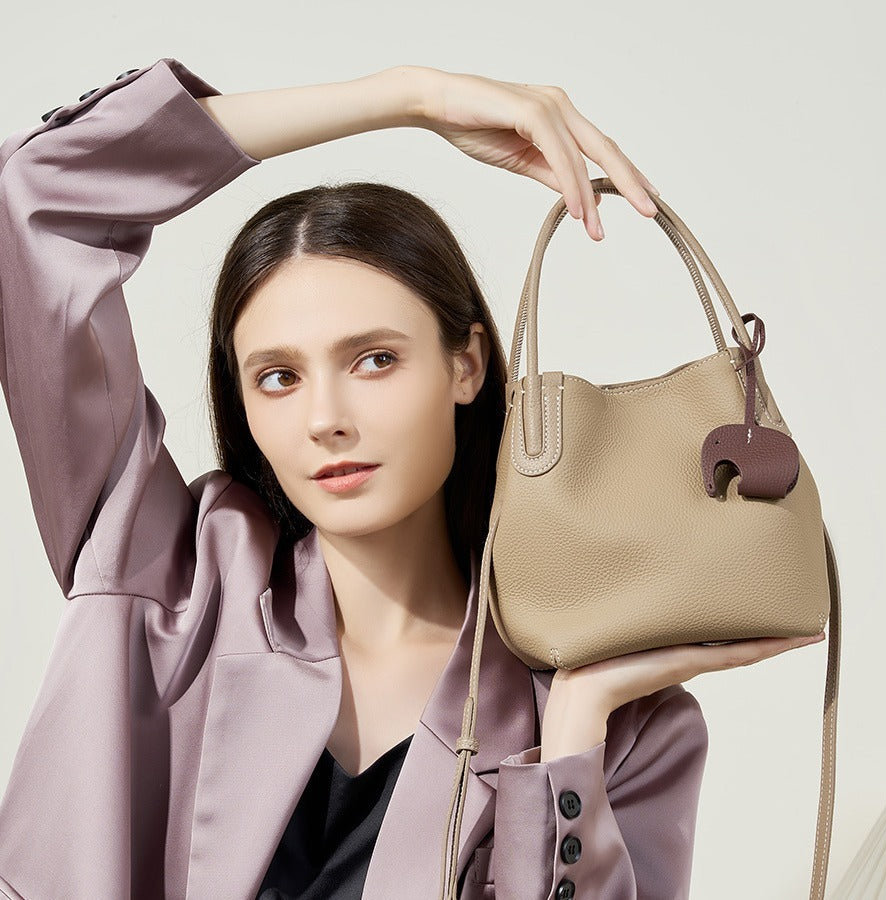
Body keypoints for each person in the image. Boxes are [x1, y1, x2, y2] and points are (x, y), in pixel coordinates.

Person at [0, 57, 825, 900]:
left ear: (465, 364)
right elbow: (40, 199)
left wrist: (573, 728)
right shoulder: (166, 579)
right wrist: (409, 99)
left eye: (375, 360)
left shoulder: (628, 731)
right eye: (278, 377)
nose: (326, 417)